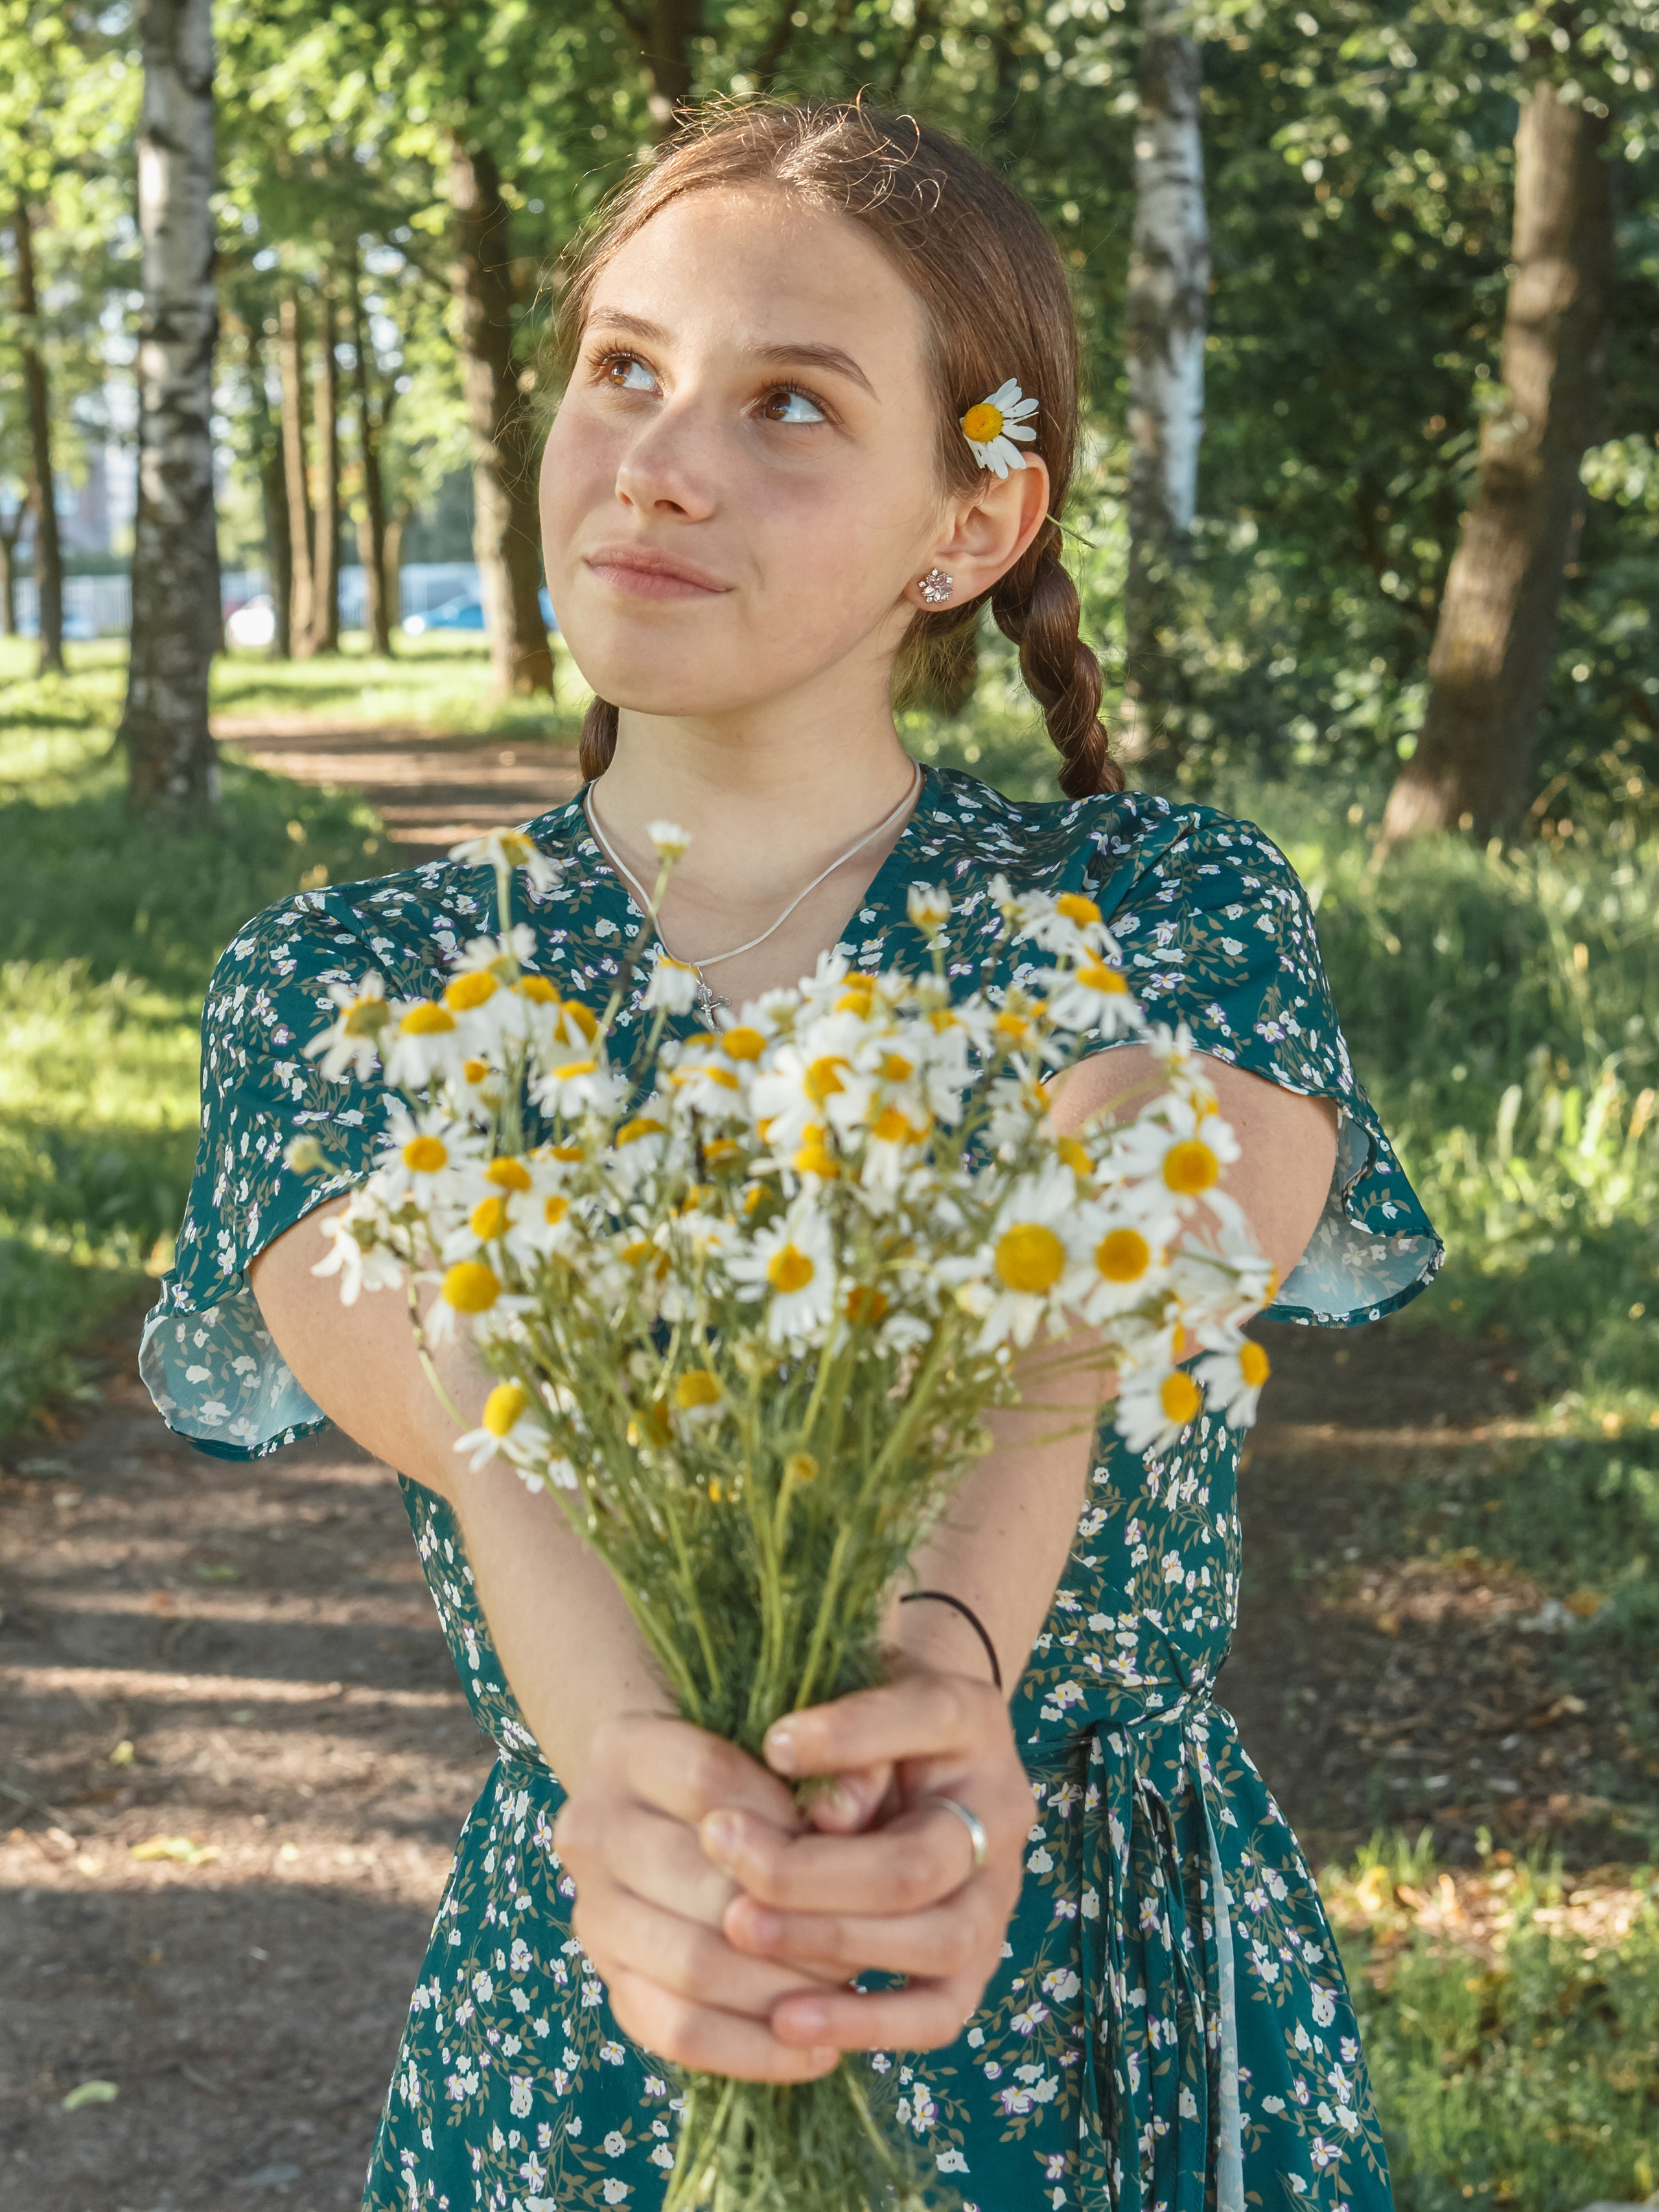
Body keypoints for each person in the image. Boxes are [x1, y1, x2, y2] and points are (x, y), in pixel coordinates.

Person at [139, 99, 1441, 2212]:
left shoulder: (1165, 911)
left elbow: (1132, 1206)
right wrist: (646, 1784)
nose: (657, 459)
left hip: (1096, 2007)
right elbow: (461, 1376)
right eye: (624, 372)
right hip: (612, 2002)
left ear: (974, 515)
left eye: (792, 406)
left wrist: (940, 1671)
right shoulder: (363, 979)